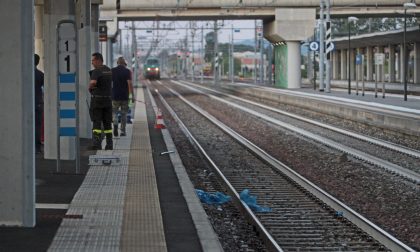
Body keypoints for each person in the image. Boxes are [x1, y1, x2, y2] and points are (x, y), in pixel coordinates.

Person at [89, 52, 113, 150]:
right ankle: (109, 144)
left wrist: (90, 88)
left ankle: (97, 144)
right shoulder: (109, 70)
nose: (92, 63)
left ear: (98, 60)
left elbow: (93, 83)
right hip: (108, 101)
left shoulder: (96, 71)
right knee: (107, 123)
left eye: (93, 60)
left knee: (96, 123)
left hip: (98, 101)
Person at [111, 56, 134, 137]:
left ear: (117, 63)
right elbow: (129, 84)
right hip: (124, 96)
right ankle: (123, 131)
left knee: (114, 112)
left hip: (115, 96)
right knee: (124, 114)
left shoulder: (112, 70)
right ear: (125, 64)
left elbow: (109, 83)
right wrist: (132, 95)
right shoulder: (127, 71)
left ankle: (115, 124)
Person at [34, 54, 44, 154]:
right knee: (37, 125)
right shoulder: (40, 74)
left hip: (27, 104)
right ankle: (37, 147)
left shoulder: (25, 73)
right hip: (38, 103)